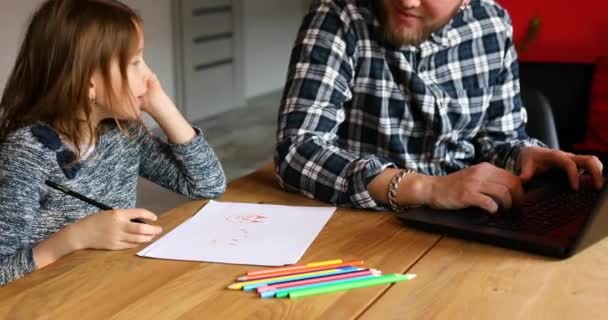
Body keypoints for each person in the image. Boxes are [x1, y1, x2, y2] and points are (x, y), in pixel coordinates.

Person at [275, 0, 604, 213]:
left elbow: (500, 140)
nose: (407, 1)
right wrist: (425, 187)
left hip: (466, 222)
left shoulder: (492, 23)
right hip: (364, 224)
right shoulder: (339, 15)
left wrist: (527, 156)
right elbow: (297, 150)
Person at [0, 0, 226, 286]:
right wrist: (75, 237)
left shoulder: (122, 132)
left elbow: (207, 184)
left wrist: (162, 106)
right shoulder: (27, 152)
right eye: (135, 63)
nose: (149, 76)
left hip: (109, 284)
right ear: (87, 82)